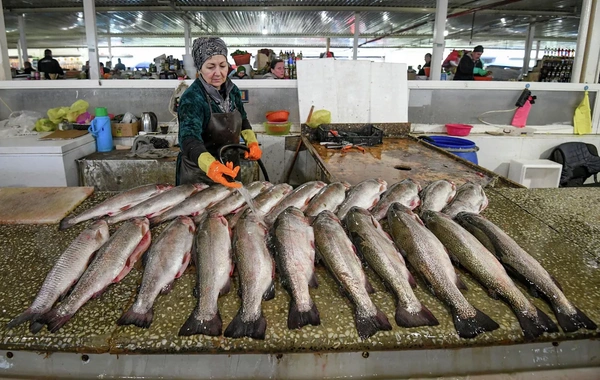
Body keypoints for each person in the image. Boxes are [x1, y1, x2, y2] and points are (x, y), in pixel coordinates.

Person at [176, 37, 262, 188]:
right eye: (210, 67)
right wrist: (211, 166)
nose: (218, 73)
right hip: (199, 176)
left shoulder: (232, 89)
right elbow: (188, 139)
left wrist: (252, 142)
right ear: (199, 68)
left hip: (230, 168)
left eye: (222, 66)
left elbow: (242, 118)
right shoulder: (192, 98)